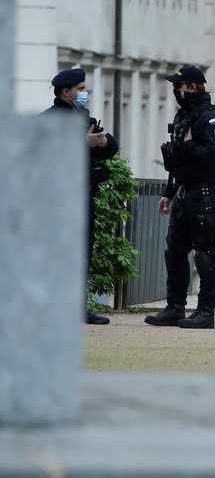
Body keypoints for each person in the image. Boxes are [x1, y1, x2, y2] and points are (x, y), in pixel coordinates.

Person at [145, 65, 215, 329]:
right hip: (184, 191)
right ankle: (175, 307)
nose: (175, 91)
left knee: (205, 253)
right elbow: (177, 158)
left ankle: (206, 310)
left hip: (204, 193)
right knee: (175, 251)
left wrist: (189, 145)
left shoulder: (209, 118)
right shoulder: (184, 116)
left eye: (178, 86)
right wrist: (169, 192)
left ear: (192, 87)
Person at [42, 68, 119, 325]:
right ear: (66, 91)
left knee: (82, 251)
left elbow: (111, 149)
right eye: (81, 89)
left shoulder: (84, 116)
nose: (84, 93)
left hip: (83, 195)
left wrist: (104, 143)